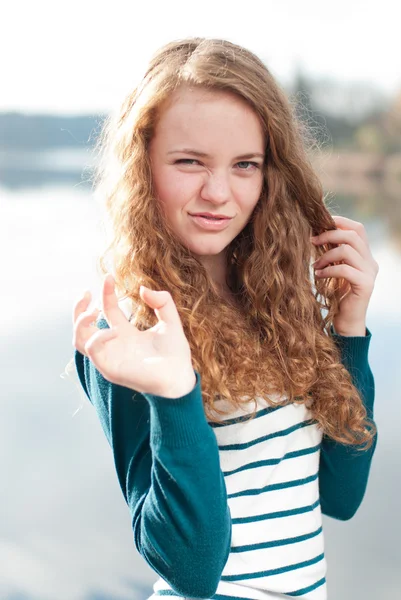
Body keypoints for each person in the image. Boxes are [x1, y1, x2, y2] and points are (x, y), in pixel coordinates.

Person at [72, 38, 379, 600]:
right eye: (190, 161)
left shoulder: (280, 298)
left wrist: (348, 330)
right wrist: (174, 394)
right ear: (142, 165)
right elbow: (191, 569)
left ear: (271, 174)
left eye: (244, 165)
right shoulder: (123, 324)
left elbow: (340, 498)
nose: (218, 193)